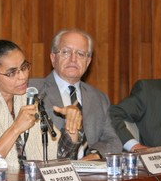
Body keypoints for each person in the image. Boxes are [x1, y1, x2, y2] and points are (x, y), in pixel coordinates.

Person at [0, 40, 83, 176]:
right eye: (12, 73)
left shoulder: (29, 100)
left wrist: (72, 125)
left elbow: (60, 158)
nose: (23, 76)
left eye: (24, 67)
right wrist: (16, 128)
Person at [29, 28, 122, 160]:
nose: (73, 59)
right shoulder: (33, 90)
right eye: (66, 52)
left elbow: (112, 141)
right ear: (53, 58)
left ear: (88, 61)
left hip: (91, 175)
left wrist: (94, 155)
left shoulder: (98, 97)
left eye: (80, 54)